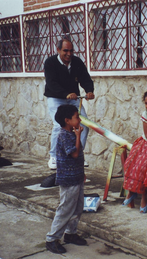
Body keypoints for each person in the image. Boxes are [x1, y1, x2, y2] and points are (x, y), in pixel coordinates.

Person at [44, 38, 95, 170]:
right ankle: (54, 157)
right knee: (58, 125)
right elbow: (51, 83)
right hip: (56, 97)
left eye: (71, 51)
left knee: (84, 124)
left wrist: (89, 91)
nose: (68, 54)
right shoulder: (50, 62)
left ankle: (78, 154)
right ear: (58, 50)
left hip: (73, 98)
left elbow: (85, 78)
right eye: (65, 50)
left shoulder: (76, 62)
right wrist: (65, 93)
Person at [45, 105, 87, 254]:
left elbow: (78, 156)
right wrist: (77, 136)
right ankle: (52, 238)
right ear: (67, 120)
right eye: (77, 116)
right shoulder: (64, 135)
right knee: (65, 209)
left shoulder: (71, 133)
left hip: (77, 177)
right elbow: (74, 154)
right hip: (68, 180)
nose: (80, 119)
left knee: (77, 207)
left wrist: (82, 173)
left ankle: (71, 233)